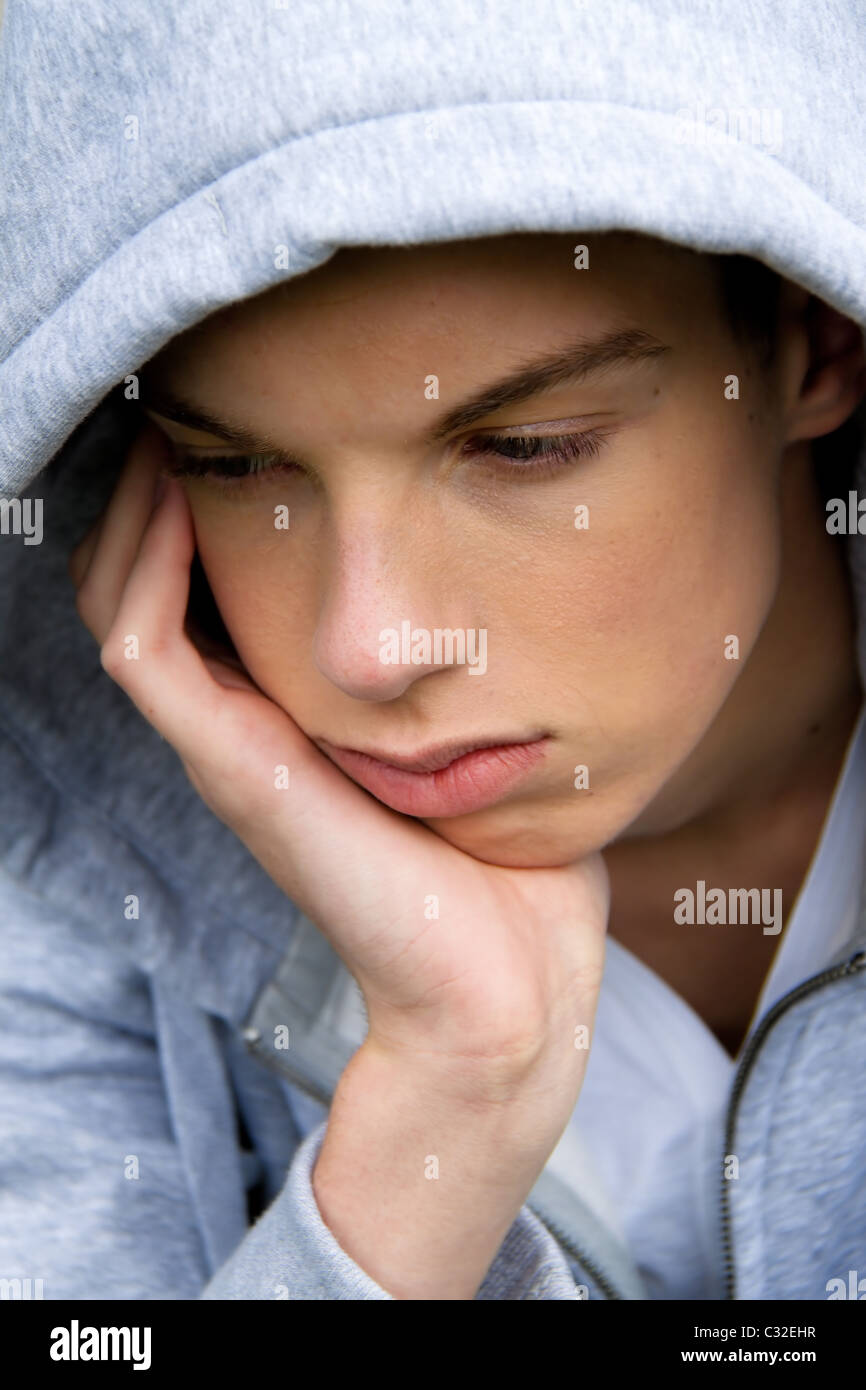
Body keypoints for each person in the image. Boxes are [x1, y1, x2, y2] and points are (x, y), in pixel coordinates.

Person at [0, 0, 864, 1302]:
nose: (371, 647)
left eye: (522, 448)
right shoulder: (76, 886)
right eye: (239, 465)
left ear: (814, 341)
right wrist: (446, 1111)